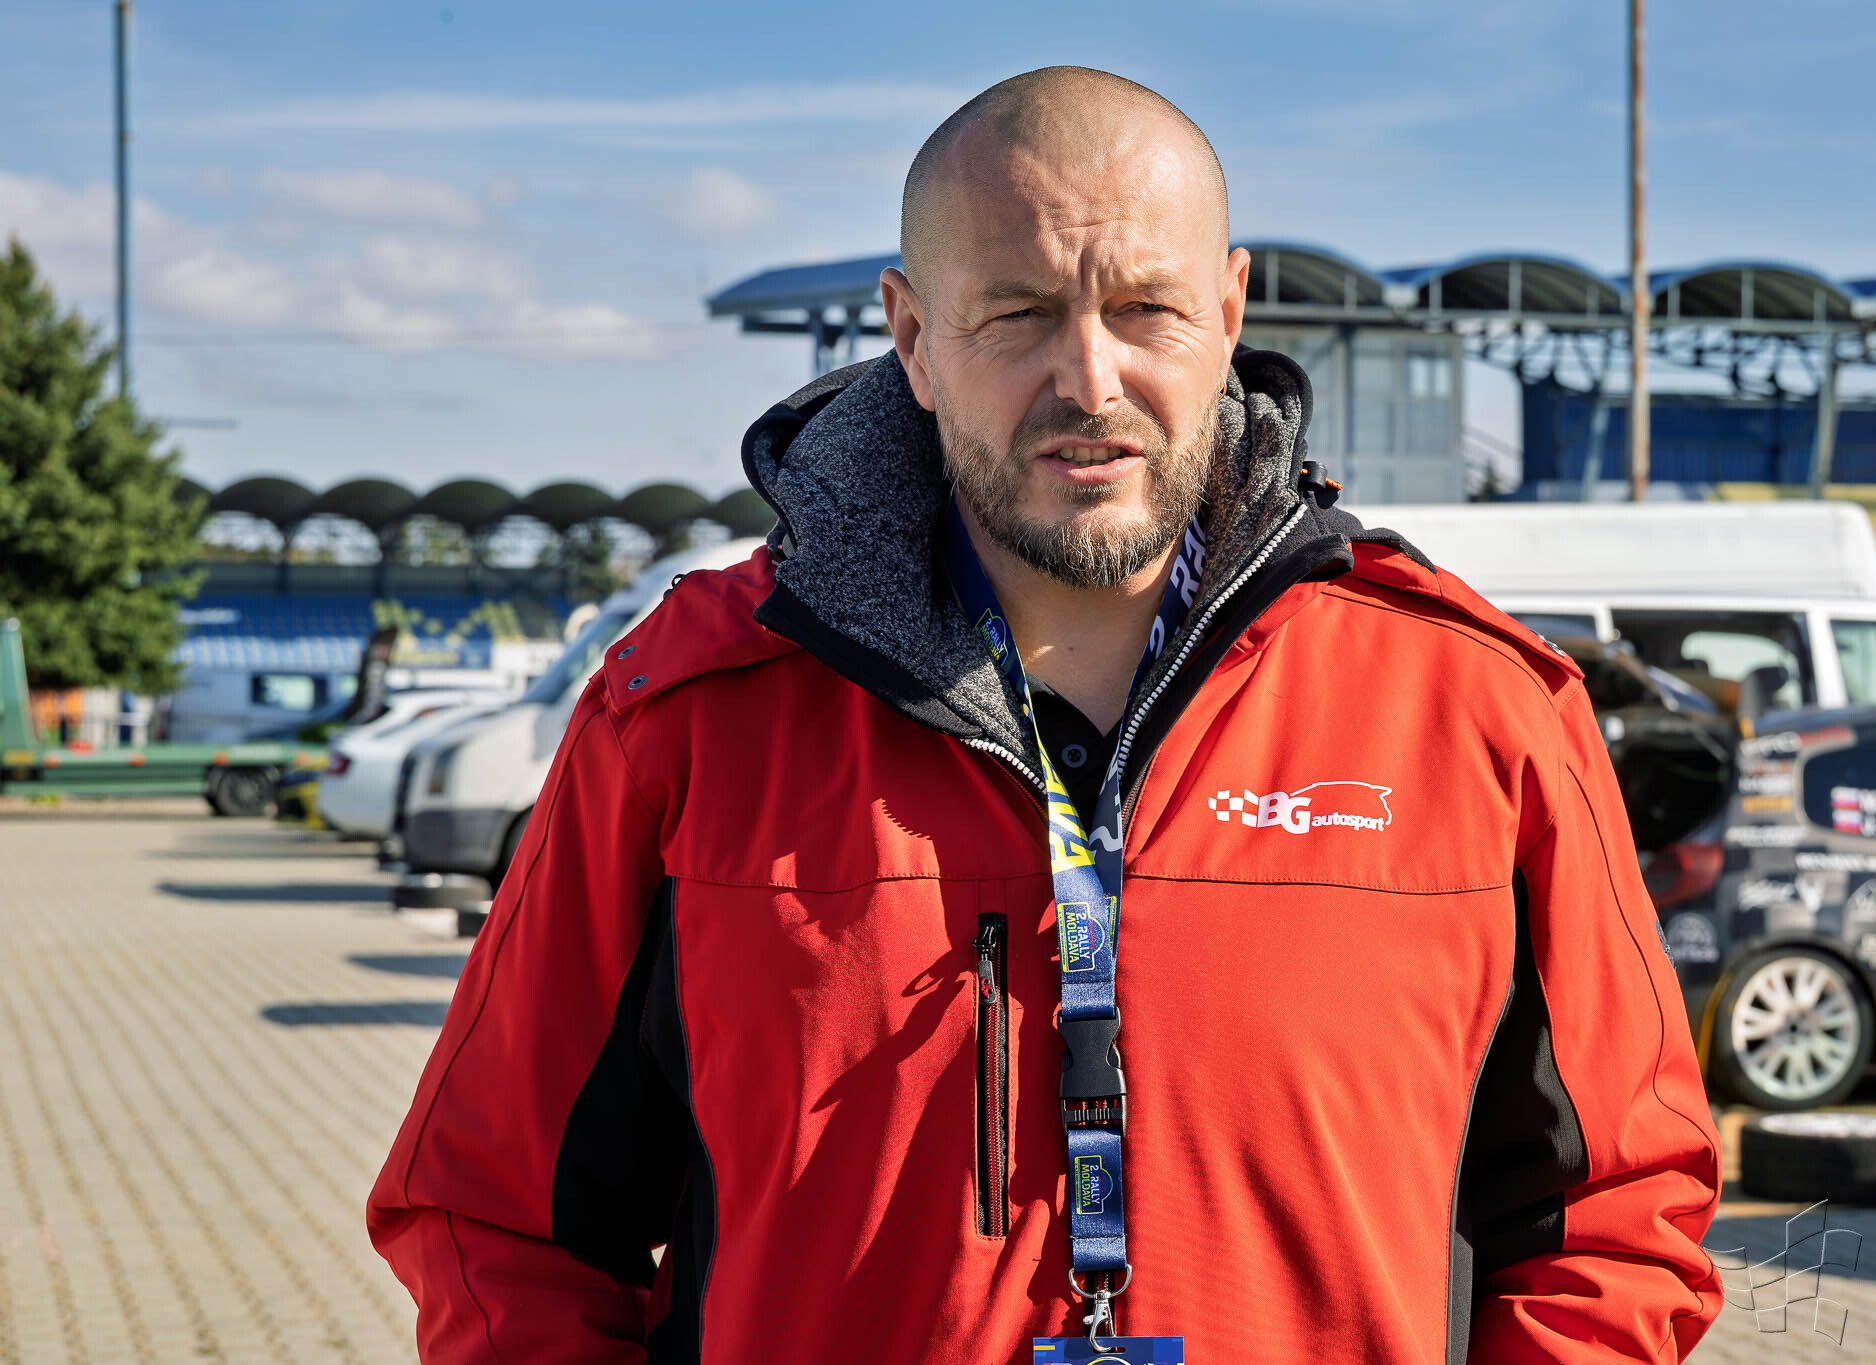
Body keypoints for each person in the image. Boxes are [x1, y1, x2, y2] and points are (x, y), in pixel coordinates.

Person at [369, 66, 1724, 1363]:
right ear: (912, 336)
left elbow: (1618, 1209)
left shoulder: (1476, 711)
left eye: (1146, 309)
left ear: (1230, 311)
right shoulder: (685, 718)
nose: (1089, 378)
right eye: (1016, 313)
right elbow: (497, 1216)